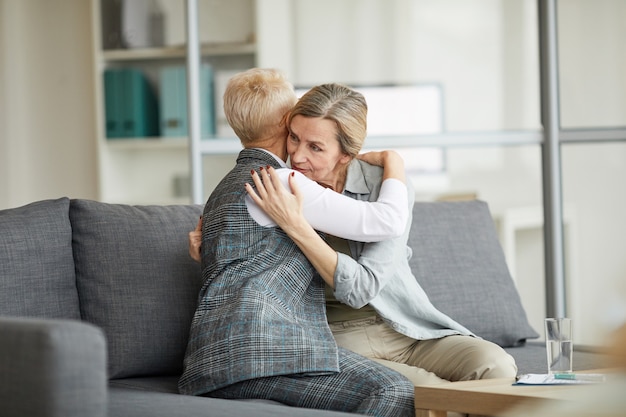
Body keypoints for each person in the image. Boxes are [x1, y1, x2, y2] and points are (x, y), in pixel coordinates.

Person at [243, 83, 518, 386]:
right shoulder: (278, 187)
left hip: (405, 328)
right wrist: (205, 246)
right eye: (294, 138)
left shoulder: (387, 187)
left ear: (346, 154)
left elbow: (362, 287)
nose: (297, 155)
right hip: (337, 339)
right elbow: (241, 247)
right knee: (429, 392)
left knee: (497, 366)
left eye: (315, 147)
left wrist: (297, 226)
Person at [178, 68, 415, 417]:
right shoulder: (283, 180)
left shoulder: (223, 189)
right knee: (393, 389)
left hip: (208, 359)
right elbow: (386, 221)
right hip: (262, 355)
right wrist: (395, 163)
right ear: (287, 121)